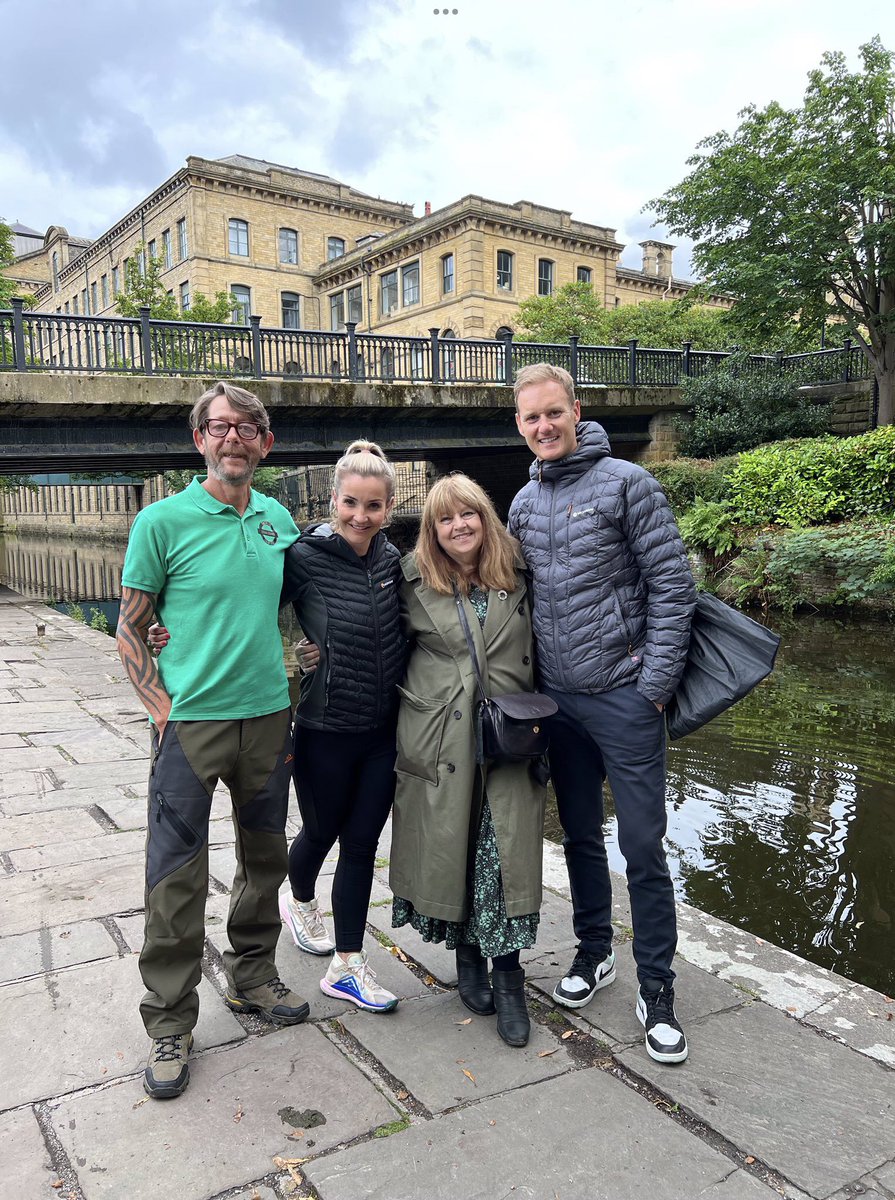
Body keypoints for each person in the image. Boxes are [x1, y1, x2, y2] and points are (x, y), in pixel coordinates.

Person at [117, 381, 308, 1101]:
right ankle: (169, 1020)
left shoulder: (276, 519)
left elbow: (289, 604)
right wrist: (160, 707)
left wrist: (301, 654)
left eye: (247, 426)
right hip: (189, 725)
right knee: (174, 878)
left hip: (266, 718)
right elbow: (132, 624)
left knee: (265, 858)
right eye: (219, 426)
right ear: (199, 440)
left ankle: (253, 976)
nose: (233, 437)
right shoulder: (161, 522)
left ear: (266, 443)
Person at [508, 362, 696, 1064]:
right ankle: (593, 952)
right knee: (581, 834)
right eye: (531, 418)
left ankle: (657, 986)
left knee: (642, 846)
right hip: (559, 703)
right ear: (520, 426)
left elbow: (672, 588)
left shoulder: (628, 483)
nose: (544, 427)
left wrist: (651, 687)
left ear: (576, 410)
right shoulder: (523, 502)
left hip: (624, 696)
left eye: (554, 413)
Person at [389, 474, 547, 1048]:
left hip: (509, 739)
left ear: (486, 518)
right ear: (432, 531)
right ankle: (467, 958)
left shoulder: (522, 574)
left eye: (469, 515)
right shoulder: (409, 582)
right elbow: (374, 645)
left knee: (500, 855)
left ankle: (508, 977)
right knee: (453, 848)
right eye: (445, 519)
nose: (459, 527)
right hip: (442, 739)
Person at [278, 441, 406, 1012]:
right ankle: (299, 896)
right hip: (325, 728)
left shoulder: (390, 558)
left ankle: (348, 966)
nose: (360, 516)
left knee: (361, 845)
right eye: (350, 503)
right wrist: (291, 651)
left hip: (382, 731)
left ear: (389, 506)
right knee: (320, 832)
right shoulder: (303, 557)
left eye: (373, 506)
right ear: (333, 500)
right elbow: (252, 609)